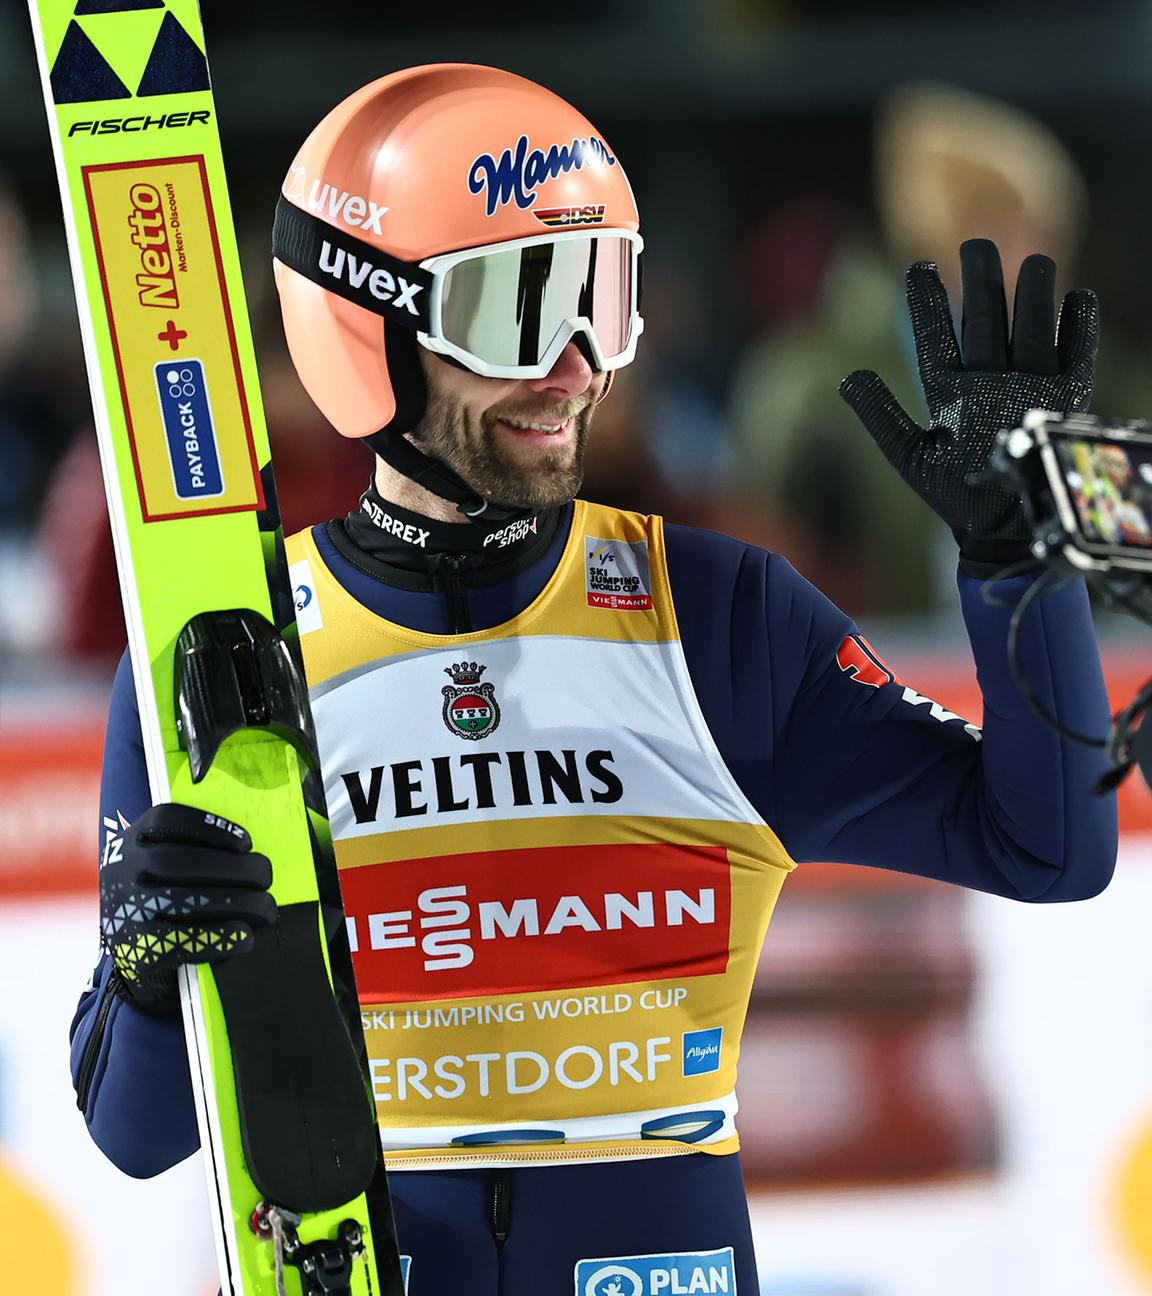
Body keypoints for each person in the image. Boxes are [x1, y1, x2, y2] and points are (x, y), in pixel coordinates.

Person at [72, 65, 1118, 1296]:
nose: (575, 367)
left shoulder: (720, 620)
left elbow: (1051, 848)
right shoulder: (227, 661)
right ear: (366, 324)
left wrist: (1019, 566)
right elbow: (136, 1139)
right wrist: (147, 976)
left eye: (601, 300)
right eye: (520, 312)